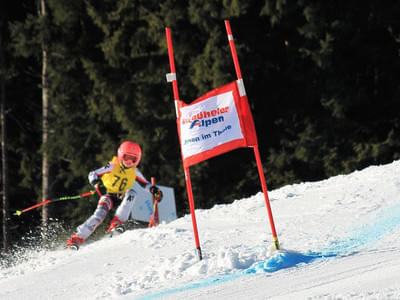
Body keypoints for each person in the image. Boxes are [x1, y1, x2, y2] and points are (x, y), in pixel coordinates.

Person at [66, 141, 162, 249]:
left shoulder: (134, 171)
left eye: (133, 159)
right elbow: (93, 174)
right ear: (121, 155)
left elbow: (146, 184)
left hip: (121, 197)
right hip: (108, 196)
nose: (129, 162)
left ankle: (116, 223)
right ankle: (75, 239)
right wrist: (97, 184)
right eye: (126, 157)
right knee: (99, 216)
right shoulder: (112, 166)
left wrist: (154, 190)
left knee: (132, 193)